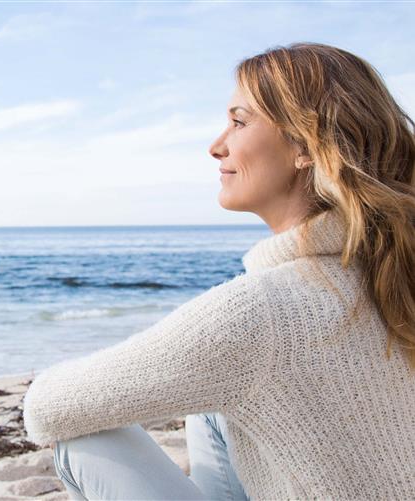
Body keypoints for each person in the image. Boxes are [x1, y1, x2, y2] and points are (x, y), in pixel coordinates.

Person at [22, 41, 415, 500]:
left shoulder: (260, 311)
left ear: (304, 147)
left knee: (86, 438)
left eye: (238, 121)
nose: (216, 146)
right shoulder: (393, 273)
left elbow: (46, 409)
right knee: (210, 408)